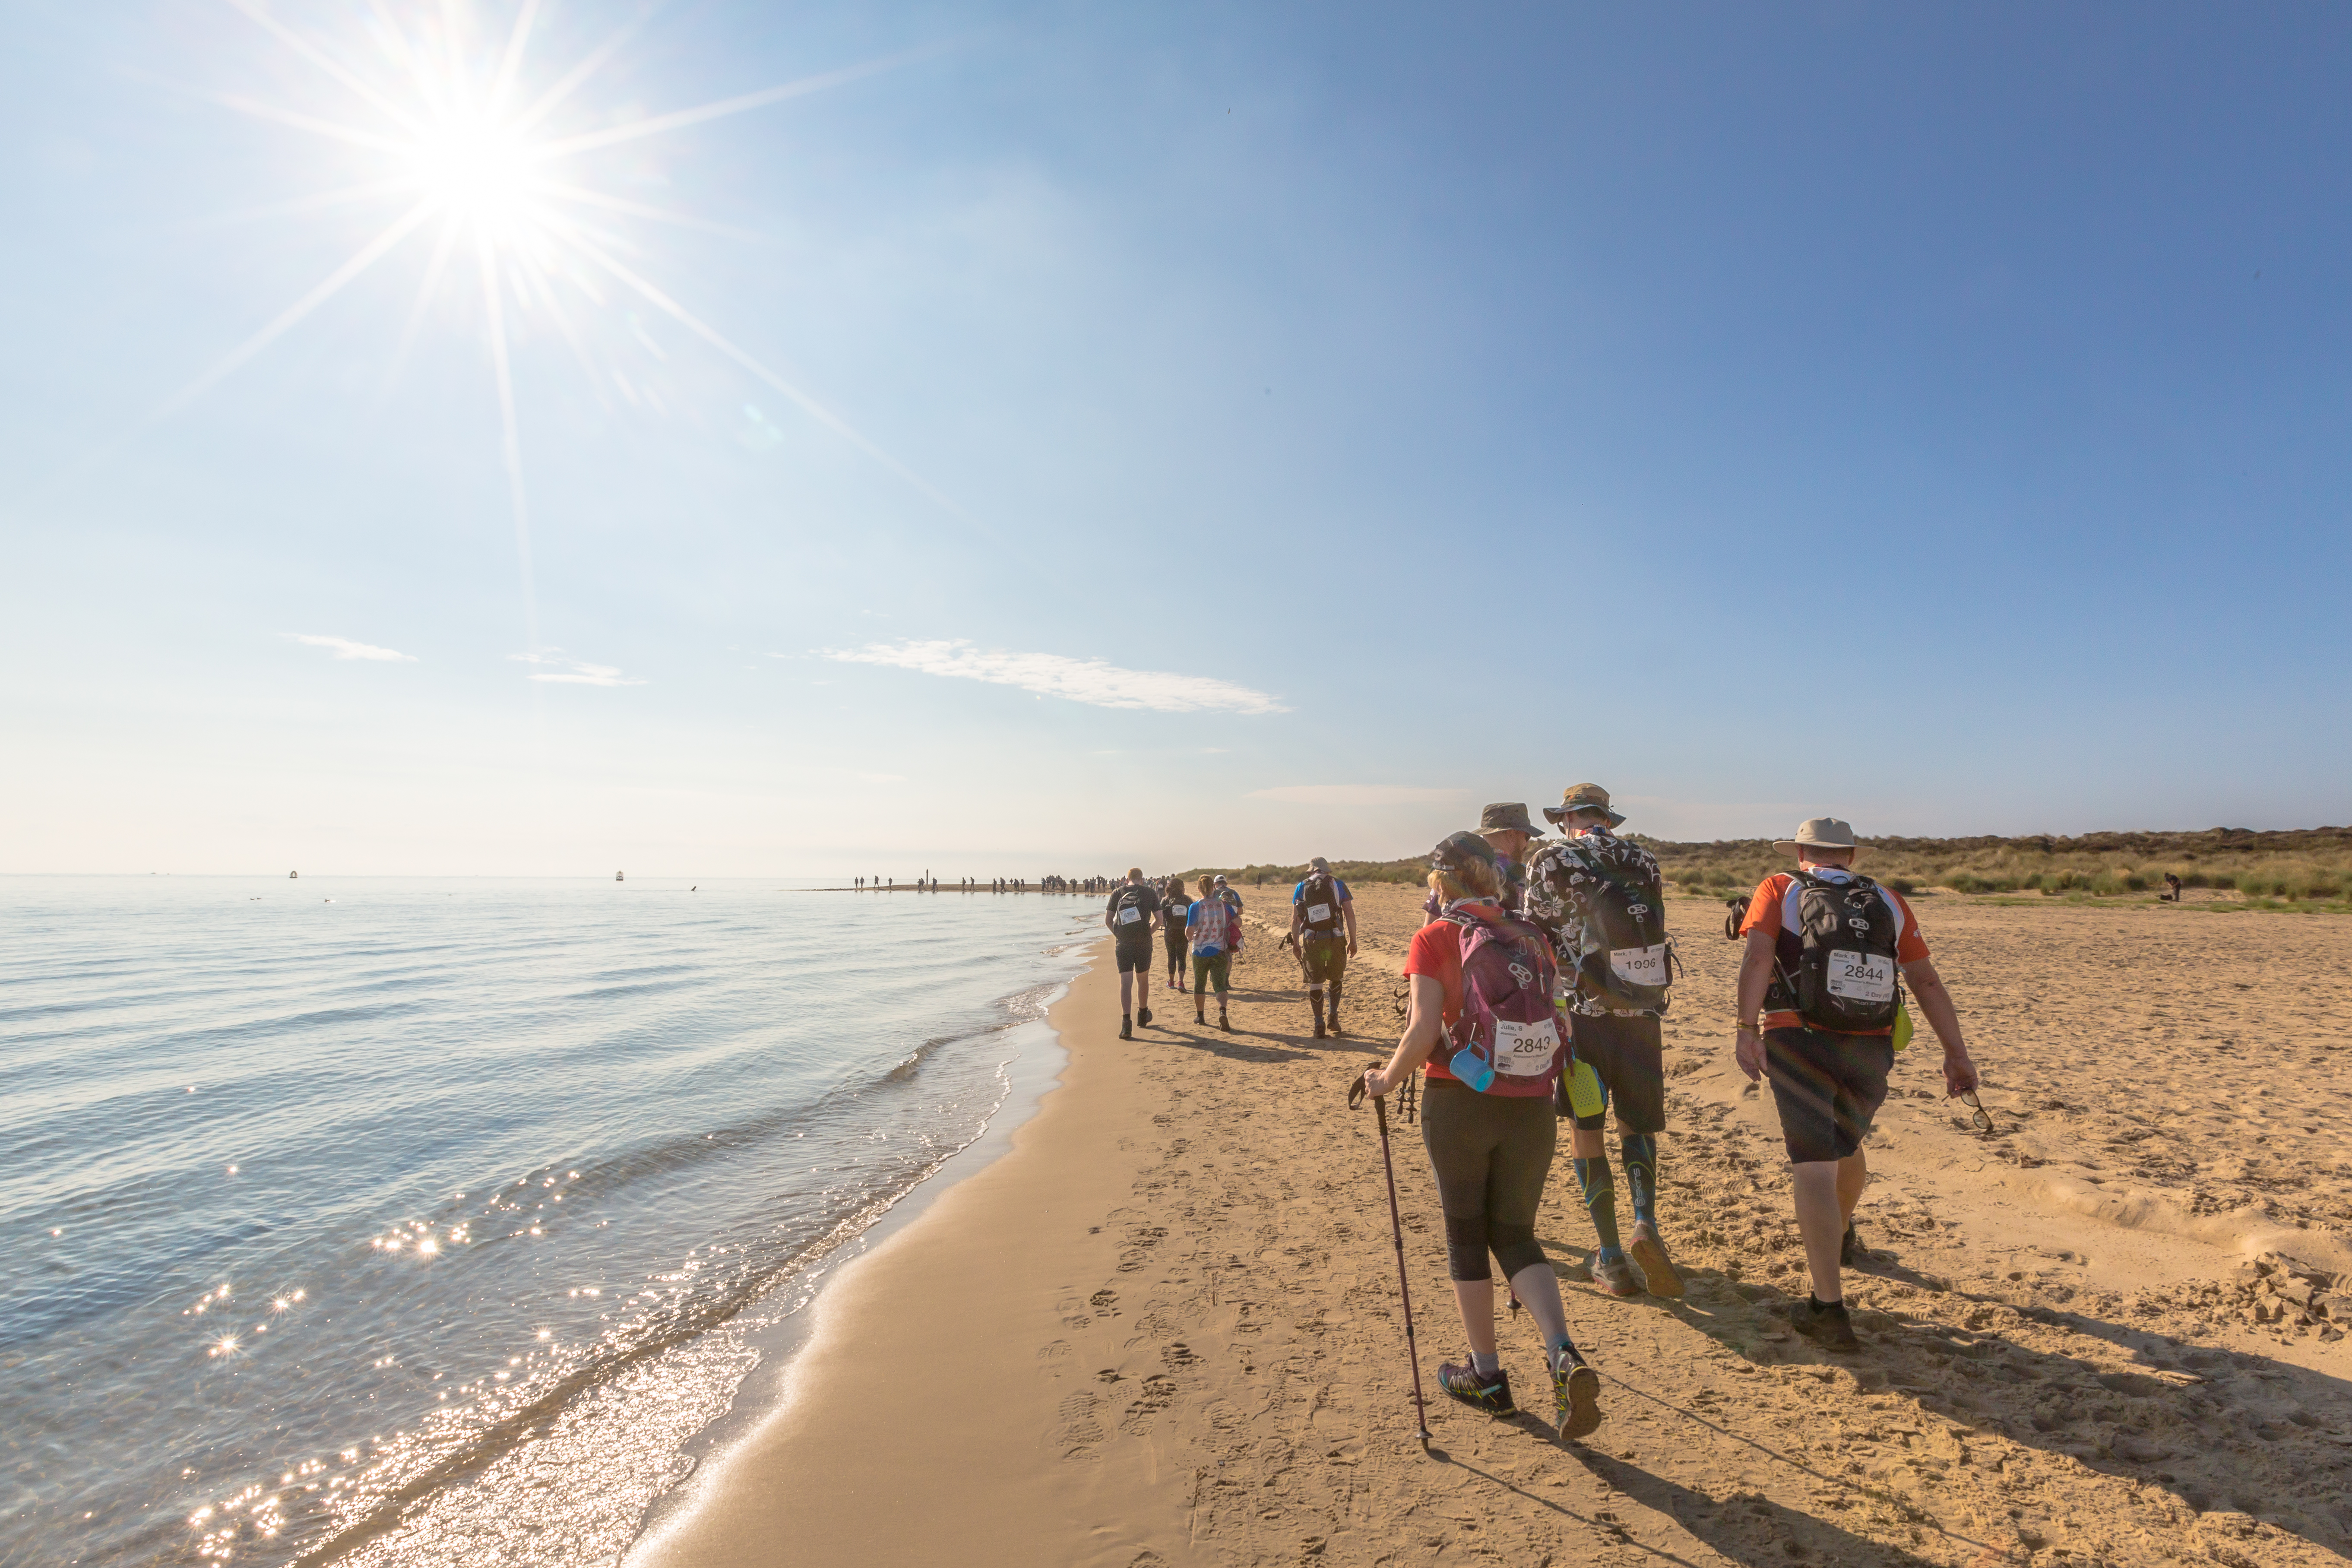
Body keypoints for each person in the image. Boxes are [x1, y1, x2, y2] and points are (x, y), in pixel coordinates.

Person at [1361, 831, 1603, 1440]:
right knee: (1515, 1233)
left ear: (1441, 880)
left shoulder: (1436, 936)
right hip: (1530, 1105)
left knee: (1466, 1234)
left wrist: (1385, 1078)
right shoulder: (1531, 936)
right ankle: (1560, 1352)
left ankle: (1487, 1375)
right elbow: (1560, 1017)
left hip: (1459, 1100)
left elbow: (1422, 1028)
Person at [1734, 817, 1980, 1352]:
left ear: (1801, 851)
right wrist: (1955, 1053)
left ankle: (1827, 1307)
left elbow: (1757, 957)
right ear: (1849, 855)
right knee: (1845, 1146)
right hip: (1870, 1045)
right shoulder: (1888, 901)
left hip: (1797, 1039)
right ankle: (1840, 1234)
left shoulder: (1780, 888)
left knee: (1814, 1166)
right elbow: (1924, 980)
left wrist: (1745, 1029)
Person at [1527, 782, 1680, 1299]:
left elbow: (1536, 936)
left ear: (1565, 819)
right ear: (1607, 820)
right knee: (1636, 1125)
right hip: (1641, 1010)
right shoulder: (1644, 859)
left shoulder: (1549, 859)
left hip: (1582, 1016)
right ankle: (1644, 1222)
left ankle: (1611, 1255)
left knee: (1584, 1127)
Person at [1289, 856, 1358, 1038]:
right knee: (1335, 977)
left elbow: (1296, 920)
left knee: (1316, 981)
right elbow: (1349, 915)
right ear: (1327, 871)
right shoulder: (1339, 885)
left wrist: (1296, 943)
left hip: (1313, 940)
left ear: (1311, 871)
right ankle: (1333, 1017)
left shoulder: (1301, 887)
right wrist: (1353, 941)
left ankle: (1319, 1023)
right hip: (1335, 938)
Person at [1105, 868, 1161, 1039]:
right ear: (1142, 880)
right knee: (1143, 980)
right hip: (1143, 942)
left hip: (1124, 944)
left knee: (1126, 982)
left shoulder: (1117, 893)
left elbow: (1108, 921)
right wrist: (1148, 933)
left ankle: (1126, 1024)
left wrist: (1119, 935)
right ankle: (1143, 1016)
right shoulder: (1150, 893)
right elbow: (1160, 920)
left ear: (1127, 879)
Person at [1186, 873, 1237, 1031]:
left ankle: (1200, 1016)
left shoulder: (1196, 907)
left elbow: (1189, 931)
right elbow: (1239, 922)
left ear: (1200, 888)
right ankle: (1222, 1011)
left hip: (1200, 951)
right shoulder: (1224, 905)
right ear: (1213, 887)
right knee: (1220, 985)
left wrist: (1190, 937)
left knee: (1199, 984)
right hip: (1220, 950)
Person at [1159, 875, 1192, 990]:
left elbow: (1161, 916)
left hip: (1170, 931)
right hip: (1184, 932)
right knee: (1182, 957)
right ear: (1182, 888)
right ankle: (1181, 982)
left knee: (1171, 956)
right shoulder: (1187, 900)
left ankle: (1171, 982)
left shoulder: (1165, 900)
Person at [1212, 874, 1244, 961]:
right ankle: (1226, 974)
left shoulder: (1214, 893)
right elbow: (1240, 911)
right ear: (1226, 883)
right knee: (1228, 952)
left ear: (1215, 884)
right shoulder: (1233, 893)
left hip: (1217, 925)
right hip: (1232, 925)